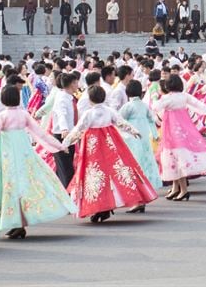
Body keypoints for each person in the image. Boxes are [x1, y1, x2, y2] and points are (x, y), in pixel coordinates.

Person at [0, 85, 77, 238]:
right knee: (28, 185)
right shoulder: (23, 114)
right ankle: (20, 222)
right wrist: (59, 146)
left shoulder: (1, 116)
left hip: (8, 158)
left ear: (3, 99)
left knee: (10, 188)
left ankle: (16, 222)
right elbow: (41, 134)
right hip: (25, 156)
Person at [62, 85, 157, 222]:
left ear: (90, 99)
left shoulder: (88, 114)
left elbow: (78, 129)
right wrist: (133, 131)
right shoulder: (109, 111)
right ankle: (109, 204)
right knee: (117, 171)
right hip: (110, 144)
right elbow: (121, 122)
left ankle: (100, 207)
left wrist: (65, 143)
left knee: (94, 175)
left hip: (93, 147)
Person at [154, 74, 206, 201]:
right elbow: (198, 104)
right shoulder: (184, 96)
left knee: (172, 159)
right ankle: (177, 188)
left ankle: (182, 190)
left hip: (170, 131)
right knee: (179, 158)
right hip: (183, 129)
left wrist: (154, 99)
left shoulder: (167, 98)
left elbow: (155, 108)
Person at [118, 80, 163, 196]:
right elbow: (151, 120)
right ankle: (146, 187)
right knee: (145, 160)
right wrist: (155, 135)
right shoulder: (144, 106)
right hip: (144, 137)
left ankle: (137, 190)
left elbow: (119, 121)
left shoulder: (128, 106)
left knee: (133, 161)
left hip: (130, 138)